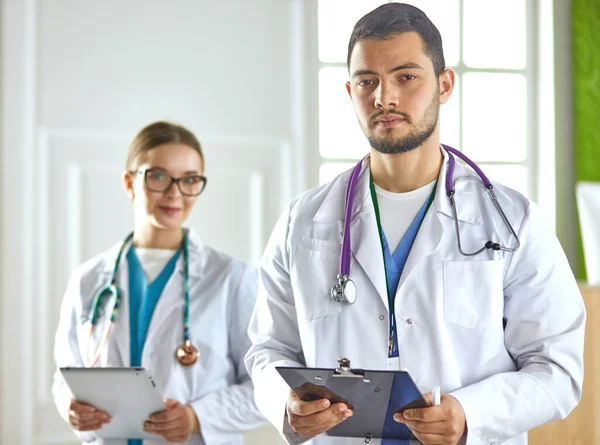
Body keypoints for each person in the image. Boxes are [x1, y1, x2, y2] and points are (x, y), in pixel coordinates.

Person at [244, 4, 585, 445]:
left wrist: (470, 414)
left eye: (406, 77)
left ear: (444, 85)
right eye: (367, 81)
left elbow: (556, 368)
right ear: (350, 92)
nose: (385, 97)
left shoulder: (513, 221)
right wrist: (286, 404)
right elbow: (267, 351)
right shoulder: (302, 221)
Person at [52, 121, 265, 445]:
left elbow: (266, 386)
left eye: (189, 180)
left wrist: (198, 418)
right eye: (159, 176)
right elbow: (66, 374)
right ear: (129, 183)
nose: (174, 193)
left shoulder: (232, 278)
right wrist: (70, 406)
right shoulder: (89, 279)